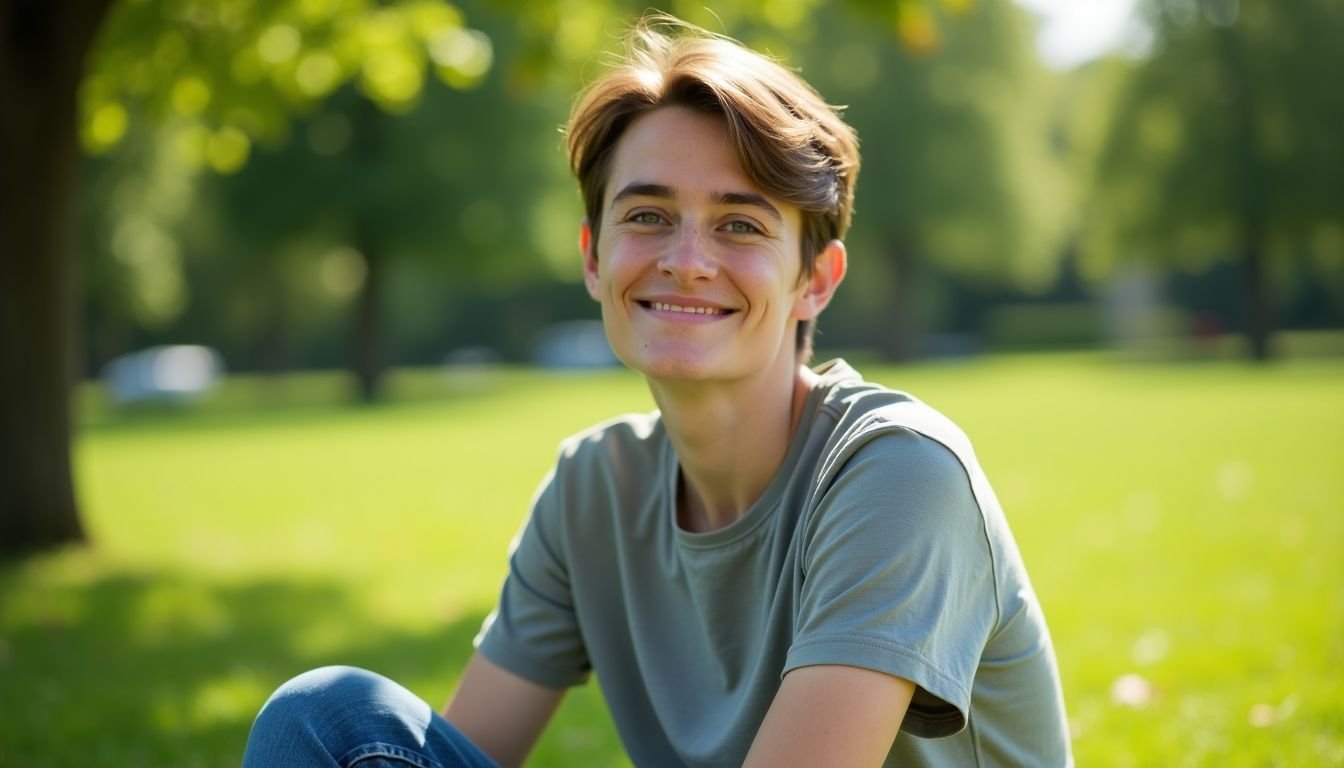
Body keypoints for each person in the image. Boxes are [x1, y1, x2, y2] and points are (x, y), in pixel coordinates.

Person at [243, 13, 1071, 768]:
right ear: (594, 257)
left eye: (740, 224)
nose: (685, 258)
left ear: (816, 280)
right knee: (328, 720)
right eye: (646, 215)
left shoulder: (899, 475)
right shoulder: (592, 490)